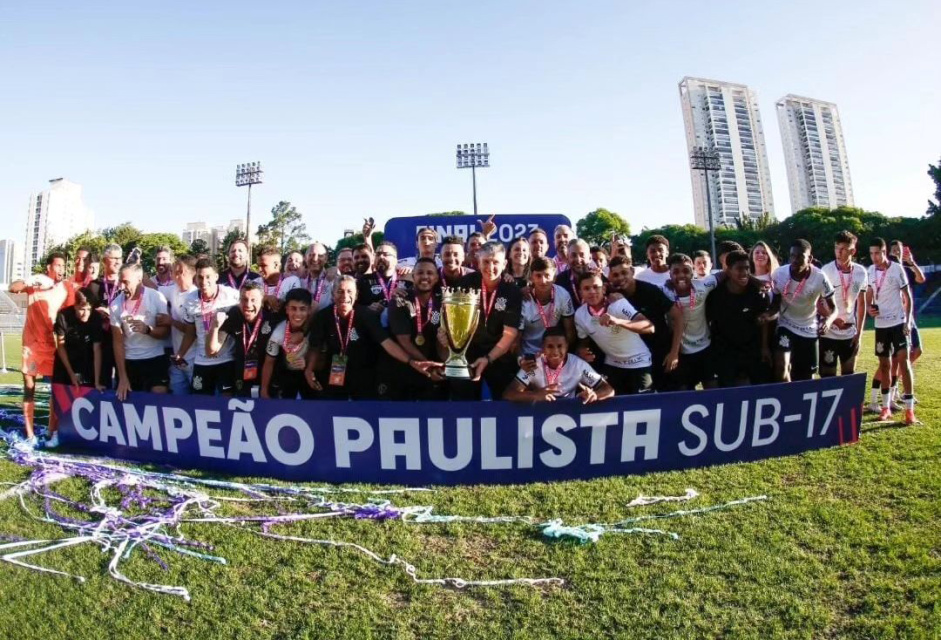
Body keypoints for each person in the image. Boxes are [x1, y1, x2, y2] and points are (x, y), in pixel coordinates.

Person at [306, 275, 439, 399]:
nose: (345, 296)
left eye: (349, 291)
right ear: (333, 295)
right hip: (336, 371)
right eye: (340, 291)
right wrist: (309, 369)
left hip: (364, 373)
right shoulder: (323, 316)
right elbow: (315, 346)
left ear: (356, 294)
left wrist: (411, 361)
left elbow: (387, 343)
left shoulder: (366, 315)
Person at [9, 253, 69, 448]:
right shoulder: (36, 283)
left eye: (63, 266)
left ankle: (52, 432)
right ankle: (30, 434)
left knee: (55, 390)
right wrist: (29, 280)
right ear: (49, 268)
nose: (61, 269)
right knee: (29, 388)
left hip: (52, 346)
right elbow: (13, 287)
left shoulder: (64, 289)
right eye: (57, 265)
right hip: (32, 345)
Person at [452, 241, 523, 399]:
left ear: (504, 263)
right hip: (467, 353)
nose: (490, 267)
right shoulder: (465, 284)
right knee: (464, 402)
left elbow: (509, 334)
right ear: (478, 262)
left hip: (498, 354)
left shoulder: (512, 290)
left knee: (505, 401)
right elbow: (453, 321)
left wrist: (488, 358)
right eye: (486, 262)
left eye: (495, 262)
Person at [764, 239, 836, 382]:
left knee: (806, 377)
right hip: (786, 326)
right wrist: (767, 315)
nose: (794, 260)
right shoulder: (779, 274)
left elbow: (833, 308)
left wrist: (828, 321)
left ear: (809, 258)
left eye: (799, 256)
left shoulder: (820, 277)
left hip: (808, 329)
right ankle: (788, 400)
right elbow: (775, 304)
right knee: (781, 367)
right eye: (792, 256)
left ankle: (800, 401)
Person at [574, 272, 654, 395]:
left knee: (642, 405)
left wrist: (618, 321)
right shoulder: (580, 315)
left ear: (604, 288)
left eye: (596, 287)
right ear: (580, 292)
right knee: (610, 403)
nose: (592, 291)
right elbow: (583, 341)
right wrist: (582, 351)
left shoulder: (618, 304)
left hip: (639, 361)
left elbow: (649, 327)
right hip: (612, 364)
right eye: (586, 288)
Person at [606, 255, 678, 392]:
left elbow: (678, 316)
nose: (620, 277)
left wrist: (674, 352)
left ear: (632, 272)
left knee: (667, 394)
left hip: (660, 351)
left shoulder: (650, 290)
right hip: (636, 358)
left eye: (624, 273)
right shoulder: (614, 295)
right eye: (615, 274)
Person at [867, 237, 916, 424]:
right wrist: (871, 308)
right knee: (885, 365)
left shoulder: (897, 269)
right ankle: (885, 408)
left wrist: (908, 321)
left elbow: (907, 297)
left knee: (903, 362)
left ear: (884, 251)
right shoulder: (870, 271)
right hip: (881, 325)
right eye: (871, 254)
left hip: (898, 323)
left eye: (877, 253)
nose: (874, 257)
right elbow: (870, 295)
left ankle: (909, 411)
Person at [706, 250, 772, 387]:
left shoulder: (757, 292)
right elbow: (709, 321)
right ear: (728, 271)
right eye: (739, 269)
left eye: (747, 268)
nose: (744, 273)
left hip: (751, 347)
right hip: (725, 350)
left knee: (759, 385)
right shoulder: (716, 295)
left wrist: (764, 347)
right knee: (728, 389)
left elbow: (764, 320)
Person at [175, 258, 241, 396]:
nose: (204, 282)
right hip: (202, 361)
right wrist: (180, 353)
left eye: (208, 277)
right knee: (200, 404)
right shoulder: (190, 299)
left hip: (226, 359)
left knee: (227, 403)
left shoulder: (231, 295)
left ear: (216, 276)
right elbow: (190, 332)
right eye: (200, 277)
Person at [388, 258, 448, 400]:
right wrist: (429, 367)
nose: (425, 277)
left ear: (436, 277)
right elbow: (404, 341)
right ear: (413, 276)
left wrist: (439, 367)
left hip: (438, 373)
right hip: (408, 370)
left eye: (430, 273)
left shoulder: (444, 302)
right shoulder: (400, 300)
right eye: (420, 272)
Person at [110, 263, 171, 401]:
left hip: (155, 358)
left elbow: (165, 333)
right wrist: (123, 377)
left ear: (139, 279)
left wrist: (148, 330)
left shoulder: (156, 297)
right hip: (130, 360)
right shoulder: (115, 305)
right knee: (128, 401)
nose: (122, 287)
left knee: (159, 398)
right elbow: (117, 343)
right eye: (120, 281)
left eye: (126, 282)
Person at [505, 327, 614, 403]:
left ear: (567, 346)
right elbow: (509, 394)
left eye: (560, 346)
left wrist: (595, 395)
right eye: (550, 346)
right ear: (543, 347)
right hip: (541, 412)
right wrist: (535, 395)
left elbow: (608, 389)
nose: (555, 352)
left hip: (570, 412)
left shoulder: (578, 365)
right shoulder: (532, 365)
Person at [661, 254, 719, 390]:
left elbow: (724, 273)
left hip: (705, 347)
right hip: (681, 353)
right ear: (669, 274)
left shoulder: (703, 285)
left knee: (713, 390)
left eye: (686, 271)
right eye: (675, 272)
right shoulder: (664, 291)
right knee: (684, 393)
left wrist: (757, 282)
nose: (681, 275)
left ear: (693, 271)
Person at [208, 281, 274, 398]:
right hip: (242, 376)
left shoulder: (272, 315)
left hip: (269, 377)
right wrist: (215, 327)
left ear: (262, 301)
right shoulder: (233, 314)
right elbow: (211, 351)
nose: (248, 304)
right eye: (244, 299)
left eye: (253, 300)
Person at [820, 231, 868, 378]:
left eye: (843, 249)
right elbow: (818, 302)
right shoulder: (826, 270)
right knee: (828, 377)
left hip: (849, 332)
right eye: (836, 247)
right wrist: (833, 319)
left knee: (849, 375)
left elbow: (861, 303)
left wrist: (859, 333)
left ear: (852, 251)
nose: (838, 252)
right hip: (829, 332)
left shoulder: (861, 272)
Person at [261, 288, 316, 399]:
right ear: (286, 309)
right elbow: (269, 362)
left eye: (302, 309)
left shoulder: (316, 329)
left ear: (309, 310)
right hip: (287, 373)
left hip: (311, 373)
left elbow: (322, 360)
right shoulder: (278, 332)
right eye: (293, 309)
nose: (297, 314)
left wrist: (308, 365)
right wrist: (264, 390)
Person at [54, 289, 105, 400]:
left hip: (86, 359)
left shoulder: (96, 318)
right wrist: (71, 374)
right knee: (61, 399)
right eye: (82, 309)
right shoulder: (63, 316)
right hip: (66, 360)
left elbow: (97, 349)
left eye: (89, 309)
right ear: (75, 306)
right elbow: (61, 346)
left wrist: (97, 382)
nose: (86, 313)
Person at [519, 257, 576, 357]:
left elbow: (570, 331)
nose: (543, 280)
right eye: (538, 276)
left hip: (555, 353)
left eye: (547, 275)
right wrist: (521, 360)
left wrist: (563, 354)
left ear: (554, 277)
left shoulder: (563, 295)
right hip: (528, 353)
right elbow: (516, 337)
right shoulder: (524, 299)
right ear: (532, 277)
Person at [86, 243, 124, 388]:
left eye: (119, 258)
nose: (117, 261)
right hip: (101, 341)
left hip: (122, 339)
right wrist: (97, 314)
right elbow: (87, 314)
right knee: (103, 381)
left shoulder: (126, 284)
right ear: (104, 260)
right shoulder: (94, 285)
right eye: (113, 258)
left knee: (123, 381)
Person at [166, 255, 197, 395]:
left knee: (198, 401)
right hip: (177, 361)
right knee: (177, 401)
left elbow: (193, 331)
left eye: (181, 272)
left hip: (194, 359)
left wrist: (171, 322)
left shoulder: (196, 296)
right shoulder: (173, 291)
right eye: (175, 272)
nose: (177, 276)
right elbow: (153, 287)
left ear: (192, 273)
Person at [356, 241, 412, 312]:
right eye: (378, 254)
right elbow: (355, 306)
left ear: (395, 260)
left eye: (386, 254)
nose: (381, 257)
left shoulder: (406, 279)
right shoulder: (363, 281)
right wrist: (368, 308)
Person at [253, 246, 301, 314]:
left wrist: (284, 302)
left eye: (263, 265)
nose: (259, 269)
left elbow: (296, 303)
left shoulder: (292, 281)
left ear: (276, 265)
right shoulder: (255, 283)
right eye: (259, 266)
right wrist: (265, 298)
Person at [556, 239, 596, 308]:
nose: (578, 260)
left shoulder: (598, 278)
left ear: (590, 258)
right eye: (573, 255)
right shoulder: (559, 281)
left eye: (582, 255)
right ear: (568, 258)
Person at [302, 242, 335, 312]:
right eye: (311, 255)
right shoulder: (300, 280)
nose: (315, 259)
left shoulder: (333, 280)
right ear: (305, 258)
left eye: (320, 255)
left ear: (326, 259)